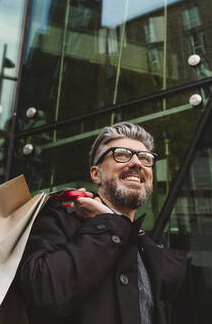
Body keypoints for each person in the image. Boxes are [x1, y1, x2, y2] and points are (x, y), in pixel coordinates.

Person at [17, 122, 187, 324]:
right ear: (96, 174)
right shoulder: (59, 219)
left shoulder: (150, 252)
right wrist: (108, 225)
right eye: (122, 154)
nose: (137, 163)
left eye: (145, 158)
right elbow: (43, 294)